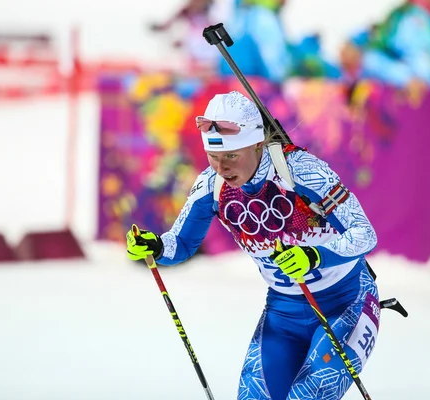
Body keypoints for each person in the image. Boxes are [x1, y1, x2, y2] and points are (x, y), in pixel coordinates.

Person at [126, 90, 380, 400]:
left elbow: (364, 233)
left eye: (231, 156)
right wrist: (155, 247)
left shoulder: (301, 171)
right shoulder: (212, 185)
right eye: (213, 156)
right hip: (283, 314)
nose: (222, 167)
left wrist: (314, 255)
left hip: (346, 302)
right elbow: (180, 242)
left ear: (258, 145)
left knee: (307, 395)